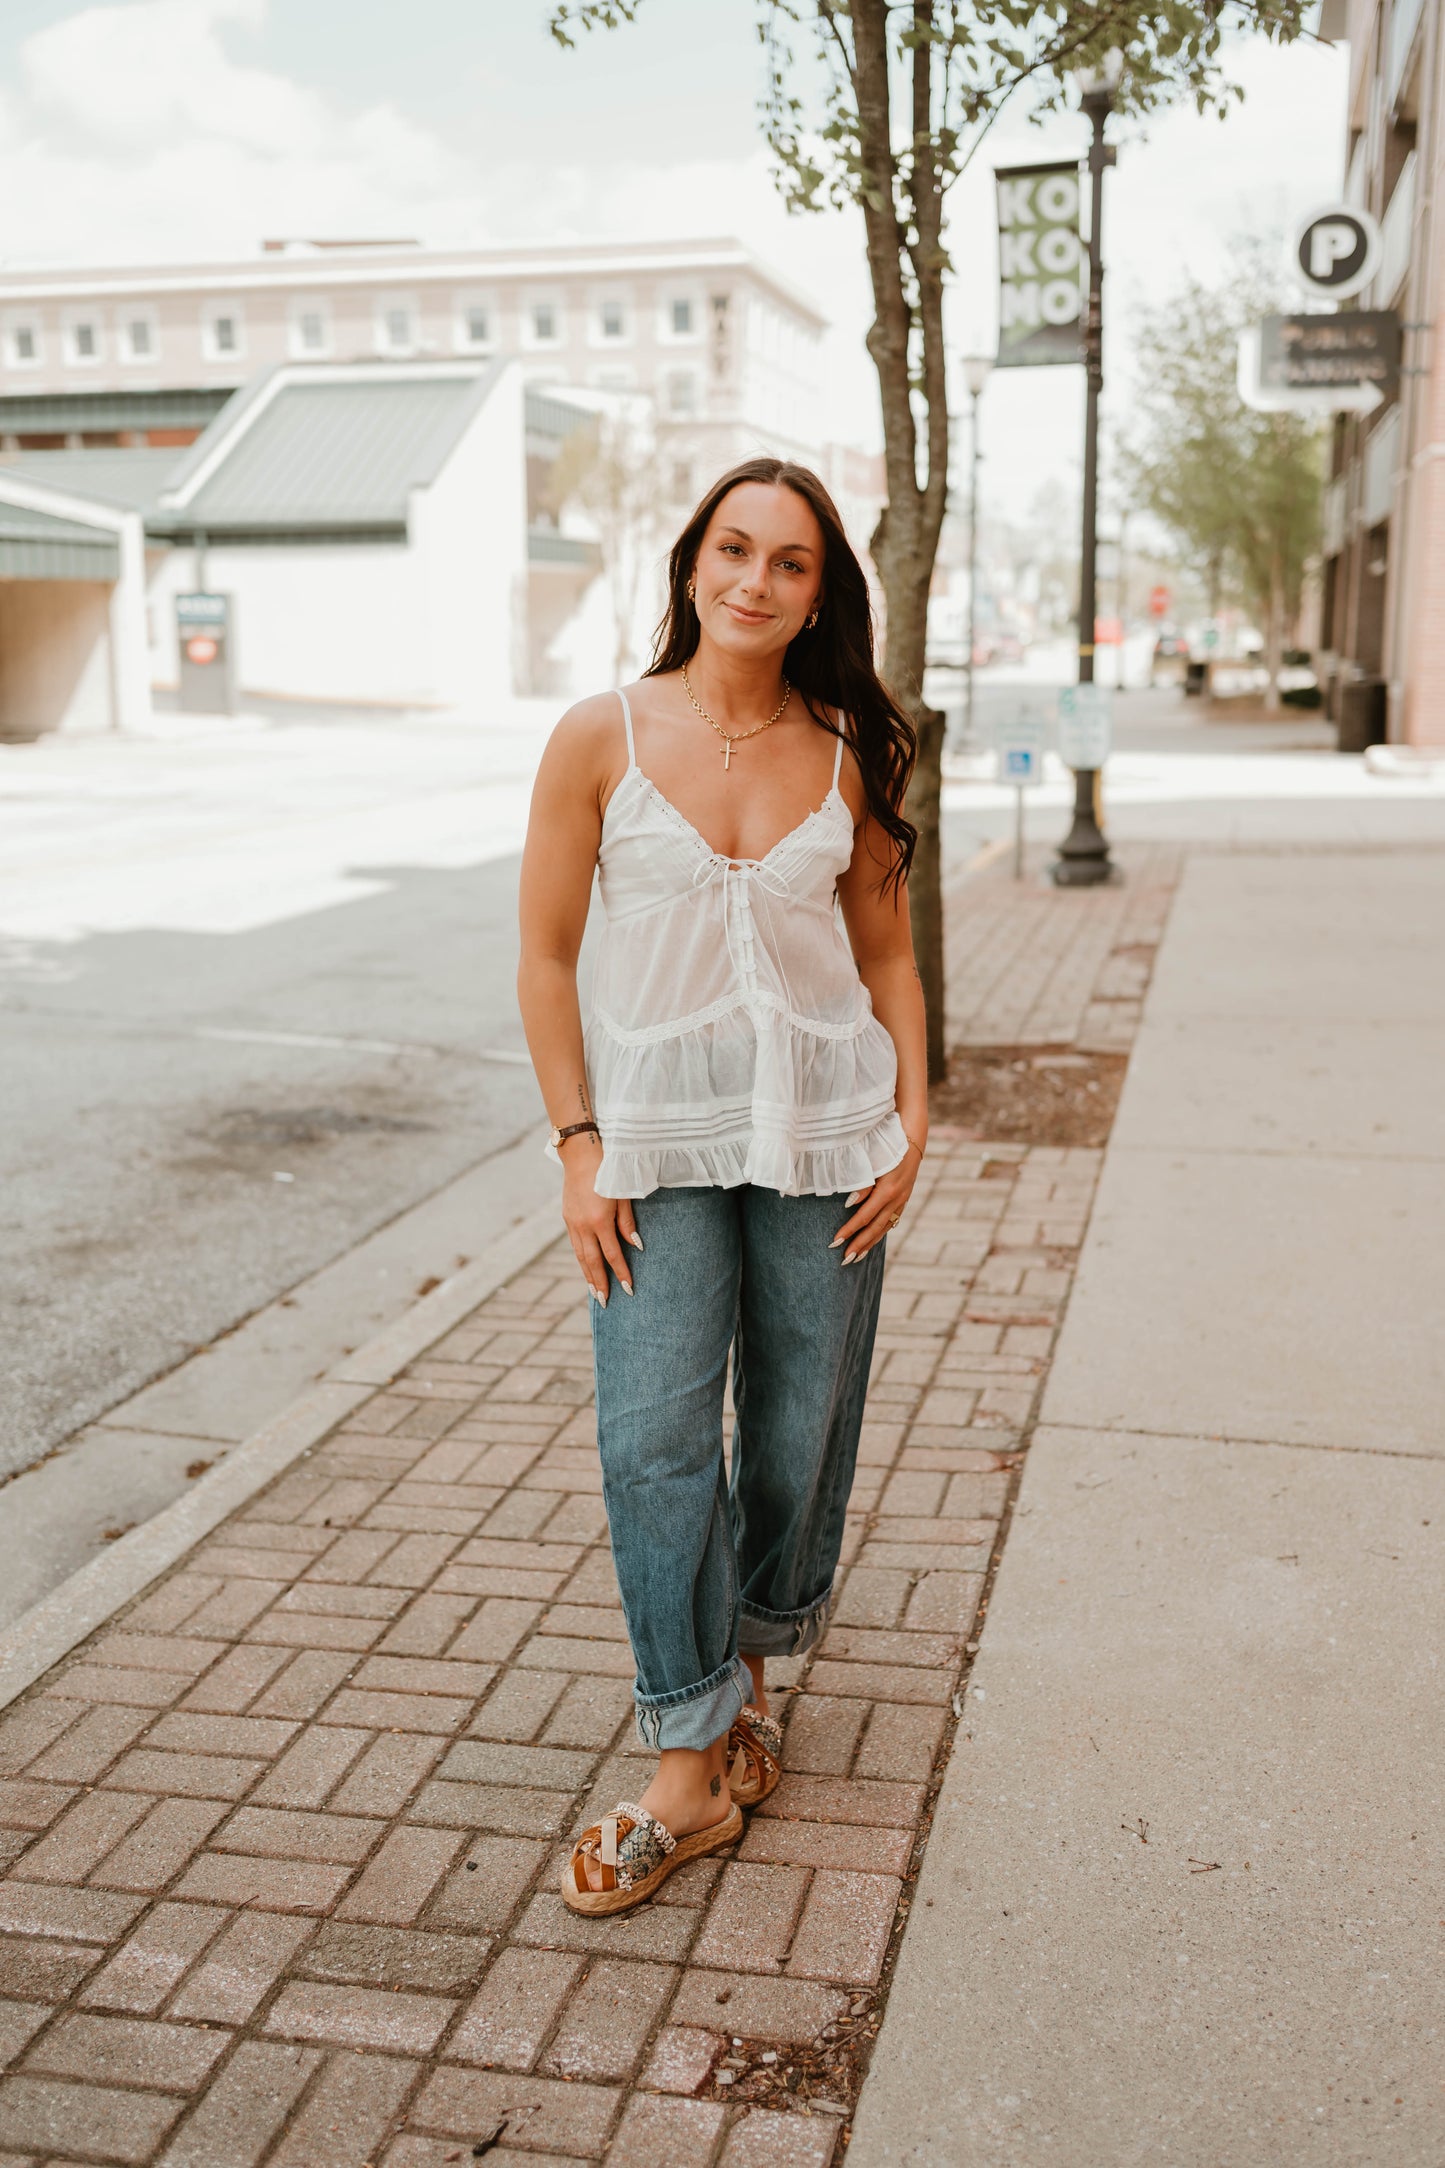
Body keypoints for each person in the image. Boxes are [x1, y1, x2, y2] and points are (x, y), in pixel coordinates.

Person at [517, 456, 927, 1915]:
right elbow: (547, 957)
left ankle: (750, 1672)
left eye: (790, 562)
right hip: (649, 1148)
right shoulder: (598, 736)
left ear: (822, 592)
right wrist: (576, 1146)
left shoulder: (842, 751)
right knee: (652, 1442)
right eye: (733, 549)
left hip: (825, 1137)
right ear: (691, 561)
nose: (755, 581)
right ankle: (683, 1761)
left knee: (798, 1428)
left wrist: (913, 1120)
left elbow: (885, 952)